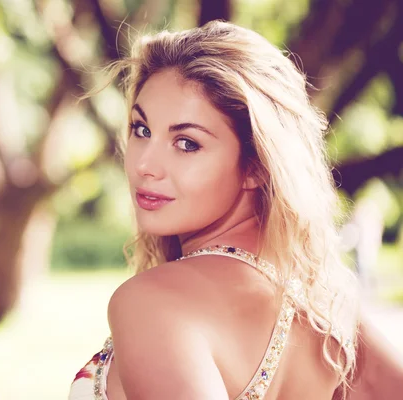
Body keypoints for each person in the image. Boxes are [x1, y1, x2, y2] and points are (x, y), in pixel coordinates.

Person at [68, 20, 403, 400]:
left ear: (256, 165)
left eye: (187, 143)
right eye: (142, 130)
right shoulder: (327, 307)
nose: (145, 163)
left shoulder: (155, 303)